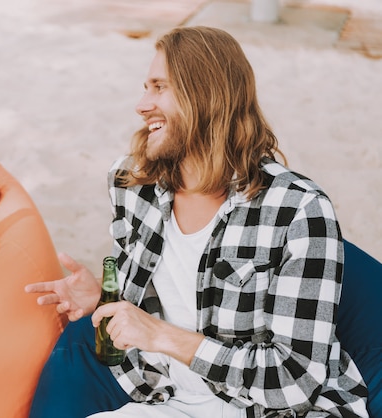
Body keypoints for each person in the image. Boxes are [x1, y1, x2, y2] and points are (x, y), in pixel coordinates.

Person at [25, 26, 368, 417]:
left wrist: (161, 336)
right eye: (145, 87)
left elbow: (293, 383)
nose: (141, 104)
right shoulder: (133, 185)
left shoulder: (299, 210)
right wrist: (103, 299)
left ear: (204, 96)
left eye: (159, 87)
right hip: (170, 396)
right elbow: (157, 298)